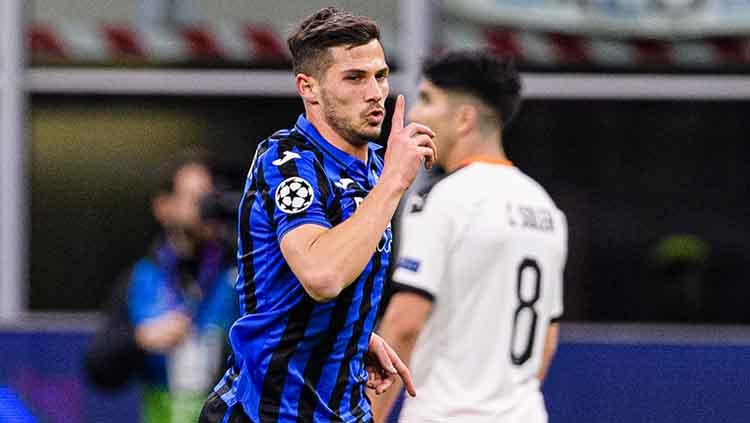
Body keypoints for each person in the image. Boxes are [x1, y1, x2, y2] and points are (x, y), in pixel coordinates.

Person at [199, 7, 437, 423]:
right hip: (271, 412)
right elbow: (322, 275)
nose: (375, 92)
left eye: (380, 75)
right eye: (354, 78)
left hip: (345, 409)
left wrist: (353, 335)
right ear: (308, 88)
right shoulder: (287, 163)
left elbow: (329, 278)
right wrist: (393, 184)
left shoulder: (378, 168)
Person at [370, 51, 568, 423]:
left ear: (464, 119)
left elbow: (405, 323)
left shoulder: (443, 198)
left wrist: (370, 417)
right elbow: (548, 339)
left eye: (427, 100)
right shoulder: (546, 208)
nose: (414, 114)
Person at [85, 153, 238, 423]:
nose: (205, 210)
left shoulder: (238, 274)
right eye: (194, 199)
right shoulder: (141, 279)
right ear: (163, 207)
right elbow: (98, 369)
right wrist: (141, 340)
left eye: (210, 198)